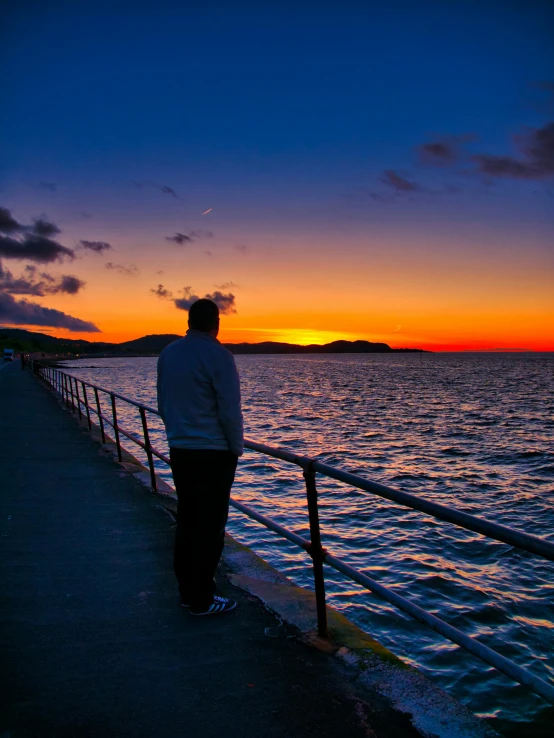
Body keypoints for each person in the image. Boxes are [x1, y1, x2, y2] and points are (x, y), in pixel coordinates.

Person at [157, 299, 243, 616]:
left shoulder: (169, 354)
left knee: (188, 520)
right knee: (210, 526)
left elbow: (163, 403)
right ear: (216, 323)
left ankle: (188, 592)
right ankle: (202, 598)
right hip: (214, 453)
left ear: (189, 321)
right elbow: (230, 411)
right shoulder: (220, 356)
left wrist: (176, 436)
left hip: (180, 449)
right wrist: (236, 448)